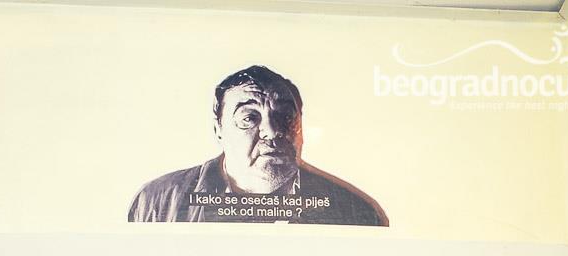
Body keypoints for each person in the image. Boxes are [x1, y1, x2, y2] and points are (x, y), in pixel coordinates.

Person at [128, 64, 389, 227]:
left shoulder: (357, 213)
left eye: (285, 117)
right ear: (219, 130)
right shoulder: (157, 203)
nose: (272, 132)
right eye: (249, 118)